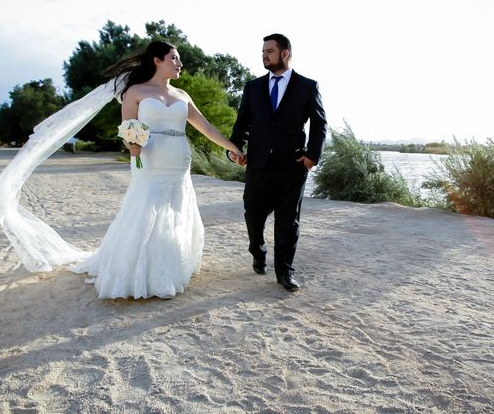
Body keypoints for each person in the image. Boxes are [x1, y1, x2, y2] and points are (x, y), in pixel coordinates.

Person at [65, 41, 243, 299]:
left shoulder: (183, 96)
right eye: (175, 58)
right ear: (157, 60)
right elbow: (128, 129)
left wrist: (233, 148)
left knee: (176, 209)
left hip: (179, 159)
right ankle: (141, 274)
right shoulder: (135, 91)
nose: (180, 63)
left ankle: (169, 269)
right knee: (147, 209)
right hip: (149, 159)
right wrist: (132, 146)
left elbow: (207, 128)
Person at [228, 33, 327, 291]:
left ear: (285, 53)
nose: (264, 55)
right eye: (262, 51)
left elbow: (319, 124)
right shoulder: (252, 87)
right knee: (253, 214)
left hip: (292, 167)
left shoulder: (307, 86)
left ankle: (285, 272)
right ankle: (257, 251)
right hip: (258, 165)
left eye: (269, 51)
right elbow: (242, 124)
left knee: (287, 220)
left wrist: (312, 156)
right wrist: (234, 149)